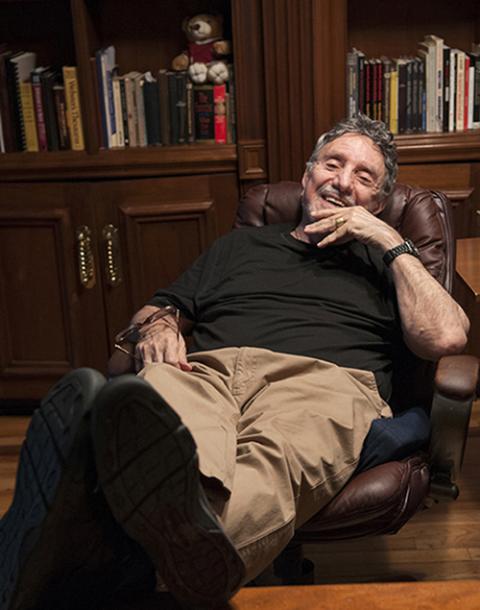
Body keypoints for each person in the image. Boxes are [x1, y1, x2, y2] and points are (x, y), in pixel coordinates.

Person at [0, 115, 469, 610]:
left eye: (365, 178)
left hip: (322, 384)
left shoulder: (391, 263)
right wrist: (159, 325)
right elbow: (160, 306)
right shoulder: (240, 245)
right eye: (333, 164)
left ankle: (92, 557)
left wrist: (389, 243)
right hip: (207, 371)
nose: (343, 182)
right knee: (163, 431)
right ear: (308, 175)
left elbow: (447, 335)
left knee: (275, 457)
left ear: (378, 204)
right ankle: (164, 556)